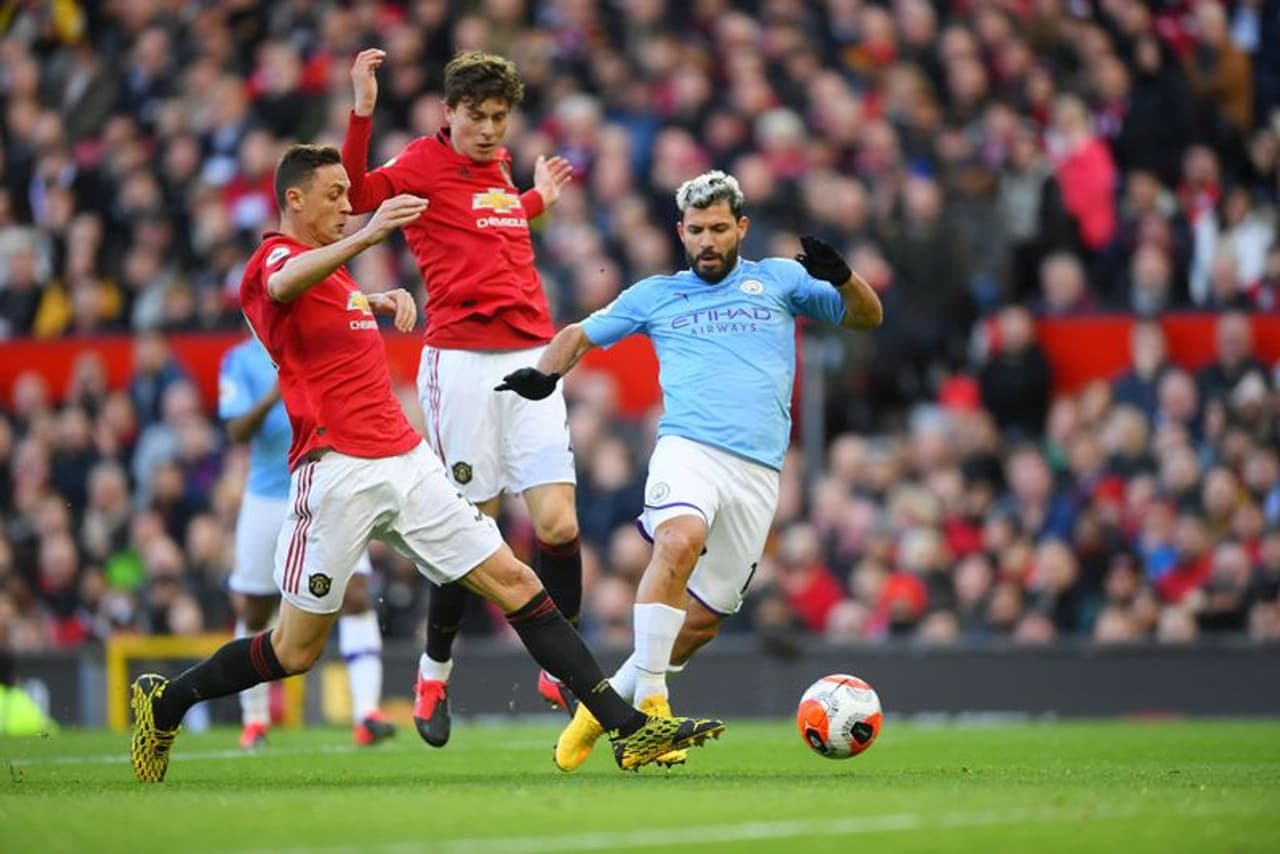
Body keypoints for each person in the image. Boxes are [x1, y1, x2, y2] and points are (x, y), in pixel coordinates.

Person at [127, 143, 724, 783]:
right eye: (334, 195)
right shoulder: (273, 257)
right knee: (293, 650)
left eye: (348, 195)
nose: (348, 205)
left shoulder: (334, 277)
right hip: (336, 473)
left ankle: (628, 730)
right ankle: (168, 702)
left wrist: (374, 299)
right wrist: (369, 237)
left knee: (517, 581)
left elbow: (322, 308)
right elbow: (281, 285)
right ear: (293, 200)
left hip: (405, 461)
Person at [496, 170, 883, 771]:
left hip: (758, 473)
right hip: (689, 448)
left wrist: (845, 277)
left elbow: (866, 317)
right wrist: (546, 374)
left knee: (700, 624)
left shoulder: (779, 280)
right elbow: (578, 334)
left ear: (741, 228)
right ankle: (652, 709)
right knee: (678, 540)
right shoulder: (657, 294)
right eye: (697, 230)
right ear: (681, 232)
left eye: (719, 228)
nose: (707, 240)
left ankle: (597, 713)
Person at [341, 49, 582, 747]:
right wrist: (362, 110)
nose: (489, 129)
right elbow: (357, 194)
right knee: (472, 532)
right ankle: (433, 673)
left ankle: (558, 667)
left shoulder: (499, 167)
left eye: (499, 117)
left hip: (532, 356)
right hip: (462, 364)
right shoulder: (422, 162)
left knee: (559, 525)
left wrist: (537, 201)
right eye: (476, 116)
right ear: (447, 113)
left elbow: (490, 221)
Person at [219, 334, 391, 748]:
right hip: (268, 496)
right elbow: (236, 430)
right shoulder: (241, 359)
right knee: (257, 608)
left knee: (355, 595)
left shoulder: (321, 342)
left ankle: (367, 713)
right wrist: (273, 395)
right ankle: (255, 719)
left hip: (326, 489)